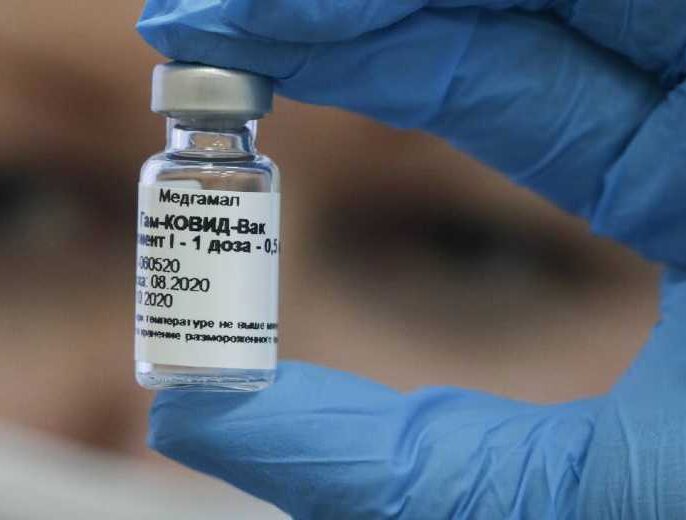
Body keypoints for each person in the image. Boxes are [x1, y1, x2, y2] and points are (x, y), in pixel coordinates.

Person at [139, 0, 686, 518]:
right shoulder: (175, 174)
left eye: (459, 246)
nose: (150, 459)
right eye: (84, 204)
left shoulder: (247, 175)